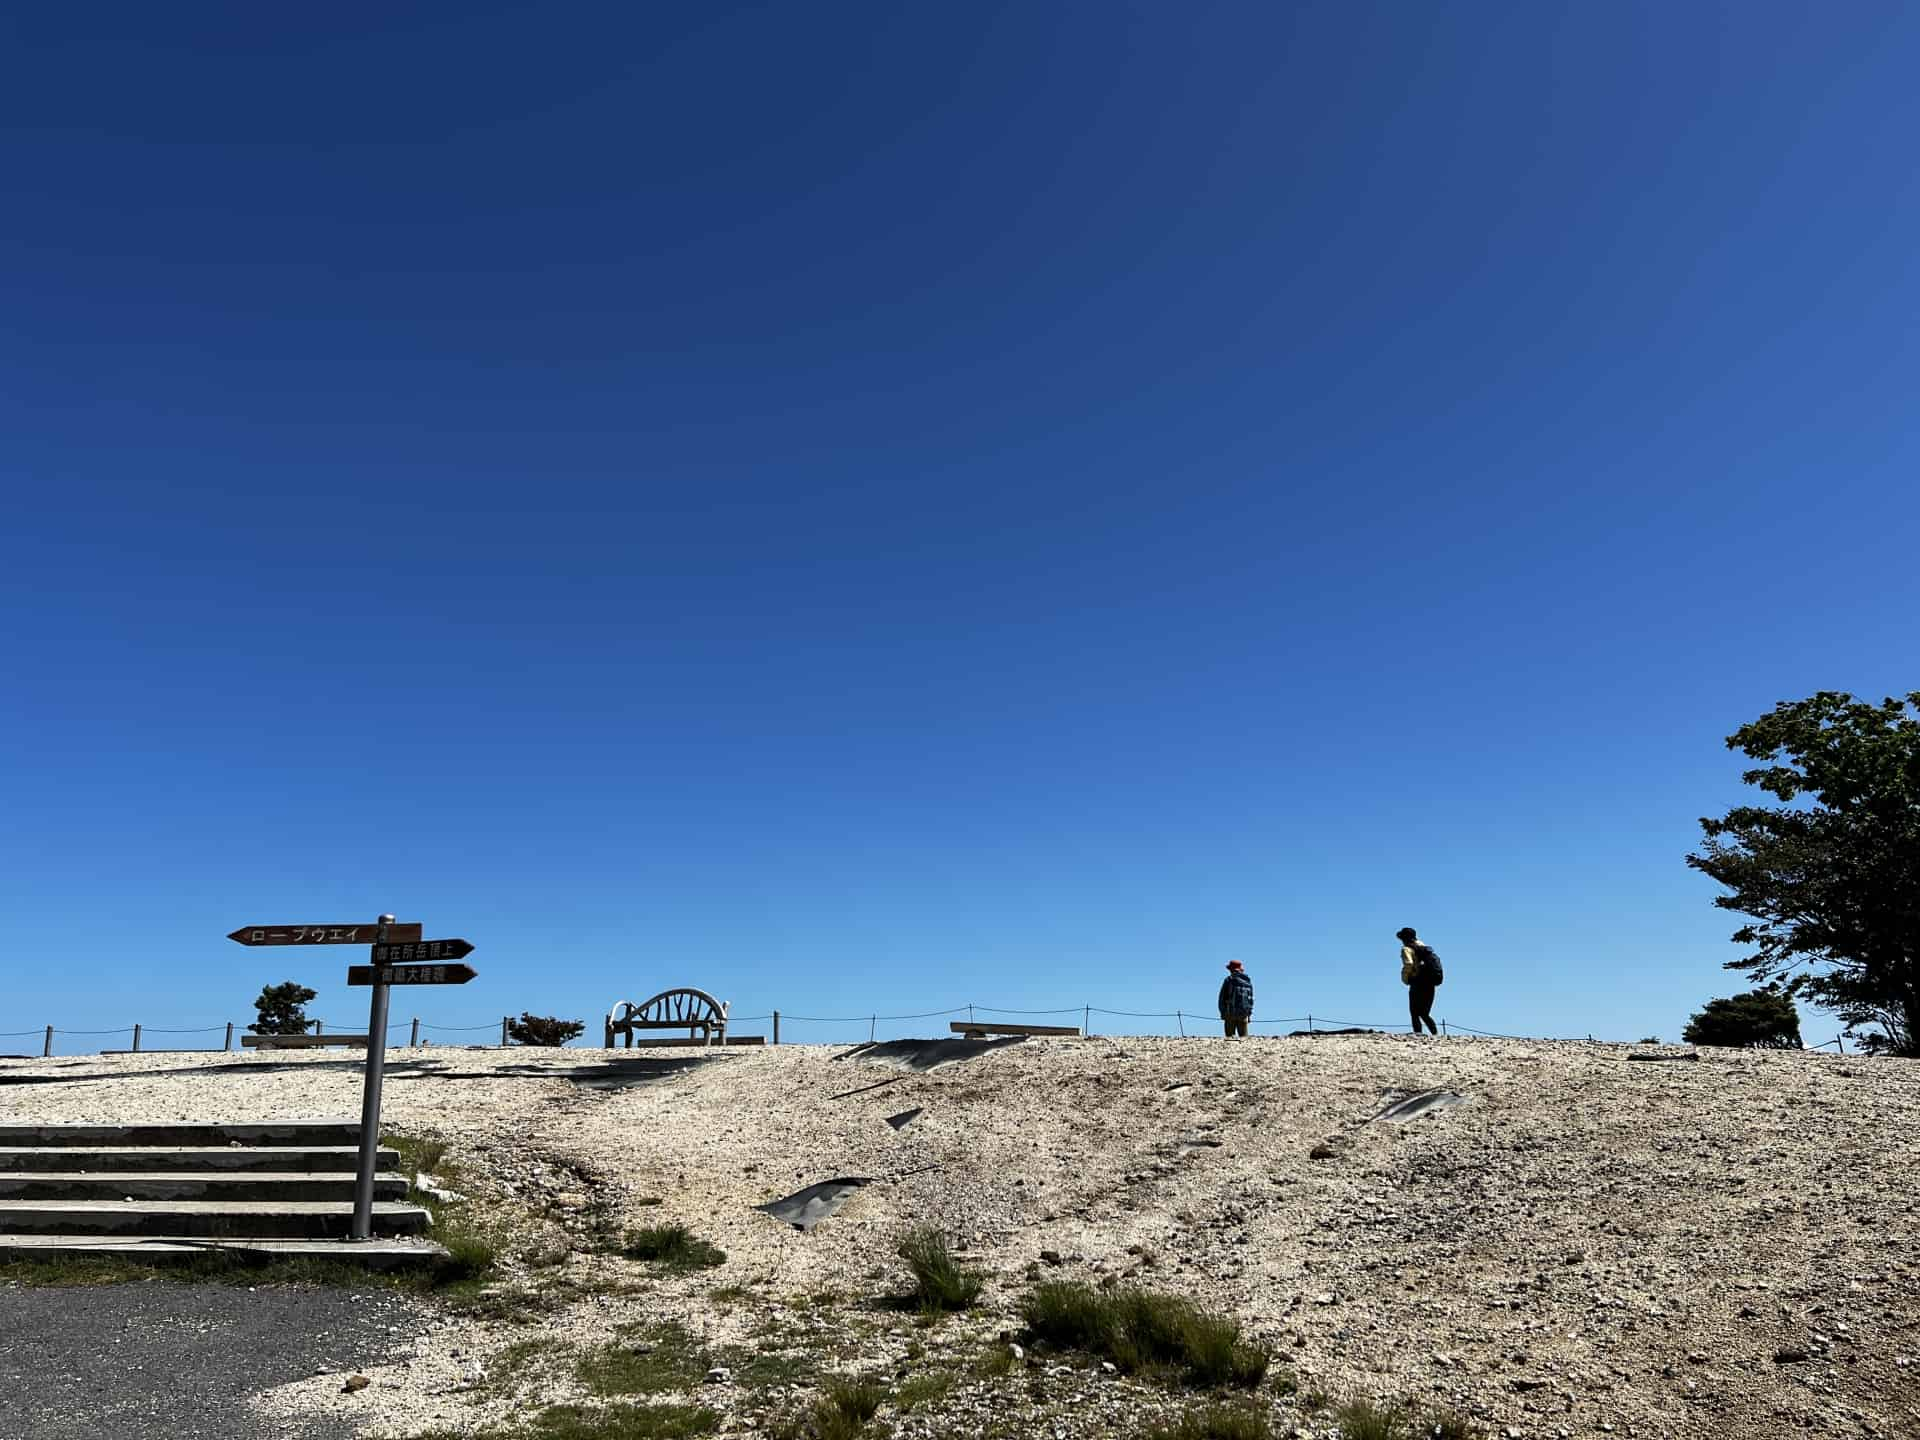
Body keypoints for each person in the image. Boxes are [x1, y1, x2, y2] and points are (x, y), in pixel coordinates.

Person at [1398, 927, 1442, 1035]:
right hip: (1429, 981)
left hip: (1417, 981)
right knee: (1424, 1013)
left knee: (1414, 1012)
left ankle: (1418, 1034)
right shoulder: (1423, 947)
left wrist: (1405, 978)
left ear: (1404, 938)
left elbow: (1408, 964)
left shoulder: (1406, 949)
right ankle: (1435, 1034)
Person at [1218, 959, 1254, 1037]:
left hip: (1230, 1014)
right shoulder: (1248, 982)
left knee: (1230, 1040)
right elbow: (1251, 1000)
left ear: (1231, 970)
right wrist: (1249, 1015)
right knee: (1244, 1040)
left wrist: (1222, 1013)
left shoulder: (1228, 980)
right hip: (1243, 1015)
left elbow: (1221, 999)